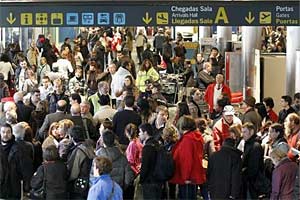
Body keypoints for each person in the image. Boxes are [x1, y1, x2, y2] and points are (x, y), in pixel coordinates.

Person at [170, 116, 206, 199]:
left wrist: (186, 177)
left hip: (187, 178)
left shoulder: (187, 139)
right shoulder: (196, 137)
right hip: (194, 176)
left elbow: (186, 160)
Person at [241, 122, 266, 199]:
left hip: (253, 183)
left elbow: (254, 168)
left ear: (251, 132)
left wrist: (244, 172)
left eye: (245, 132)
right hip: (249, 182)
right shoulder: (248, 144)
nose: (242, 134)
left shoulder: (255, 146)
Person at [139, 123, 162, 199]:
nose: (139, 134)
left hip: (149, 181)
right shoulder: (157, 143)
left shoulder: (147, 148)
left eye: (140, 132)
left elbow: (145, 166)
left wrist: (141, 179)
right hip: (158, 179)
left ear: (145, 133)